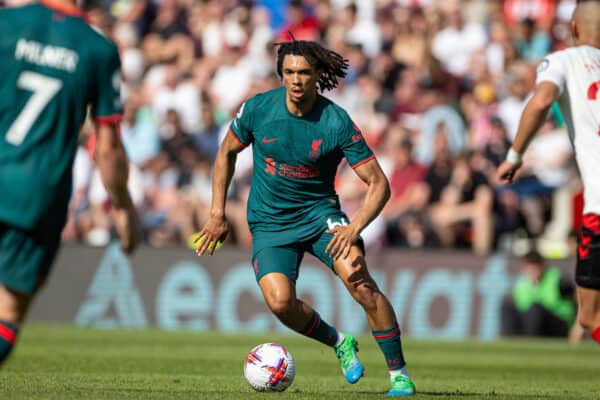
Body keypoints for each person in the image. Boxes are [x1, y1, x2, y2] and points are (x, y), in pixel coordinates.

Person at [196, 37, 416, 396]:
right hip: (270, 222)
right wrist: (217, 213)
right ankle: (340, 342)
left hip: (319, 215)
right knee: (280, 302)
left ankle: (399, 374)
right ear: (281, 74)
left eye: (303, 72)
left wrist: (355, 226)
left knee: (360, 280)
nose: (296, 80)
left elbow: (379, 184)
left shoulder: (335, 121)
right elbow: (225, 154)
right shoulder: (257, 109)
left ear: (317, 75)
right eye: (289, 72)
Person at [0, 0, 140, 364]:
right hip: (36, 194)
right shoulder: (98, 49)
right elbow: (107, 149)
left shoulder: (7, 23)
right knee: (8, 311)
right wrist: (123, 207)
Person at [496, 1, 600, 345]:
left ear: (573, 28)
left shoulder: (564, 60)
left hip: (598, 208)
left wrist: (514, 156)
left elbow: (541, 102)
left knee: (589, 315)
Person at [501, 250, 576, 338]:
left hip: (557, 323)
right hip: (530, 321)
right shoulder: (521, 284)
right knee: (507, 307)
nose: (532, 271)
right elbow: (521, 307)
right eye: (529, 268)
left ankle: (532, 342)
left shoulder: (557, 279)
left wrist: (576, 326)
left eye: (535, 267)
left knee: (536, 309)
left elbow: (577, 299)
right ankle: (510, 341)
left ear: (542, 266)